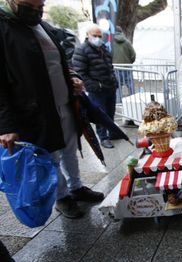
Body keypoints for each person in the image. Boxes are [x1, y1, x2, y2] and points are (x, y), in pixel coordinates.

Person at [0, 0, 104, 219]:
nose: (37, 10)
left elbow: (61, 61)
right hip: (34, 111)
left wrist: (73, 78)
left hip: (63, 102)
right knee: (50, 155)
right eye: (31, 5)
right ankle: (62, 197)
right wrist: (6, 126)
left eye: (41, 6)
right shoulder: (5, 28)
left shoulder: (43, 27)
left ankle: (76, 187)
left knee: (69, 149)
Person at [73, 24, 119, 149]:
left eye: (100, 36)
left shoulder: (104, 49)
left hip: (110, 87)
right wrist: (94, 86)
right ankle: (103, 138)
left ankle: (112, 132)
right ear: (88, 35)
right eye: (95, 36)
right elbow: (80, 73)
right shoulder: (81, 50)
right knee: (100, 114)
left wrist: (115, 82)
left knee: (110, 112)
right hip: (97, 90)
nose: (98, 38)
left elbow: (110, 68)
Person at [112, 26, 136, 103]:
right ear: (121, 32)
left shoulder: (111, 43)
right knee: (130, 85)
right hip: (127, 67)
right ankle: (133, 102)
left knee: (117, 86)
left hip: (115, 68)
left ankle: (119, 103)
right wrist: (129, 62)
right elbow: (133, 55)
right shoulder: (127, 42)